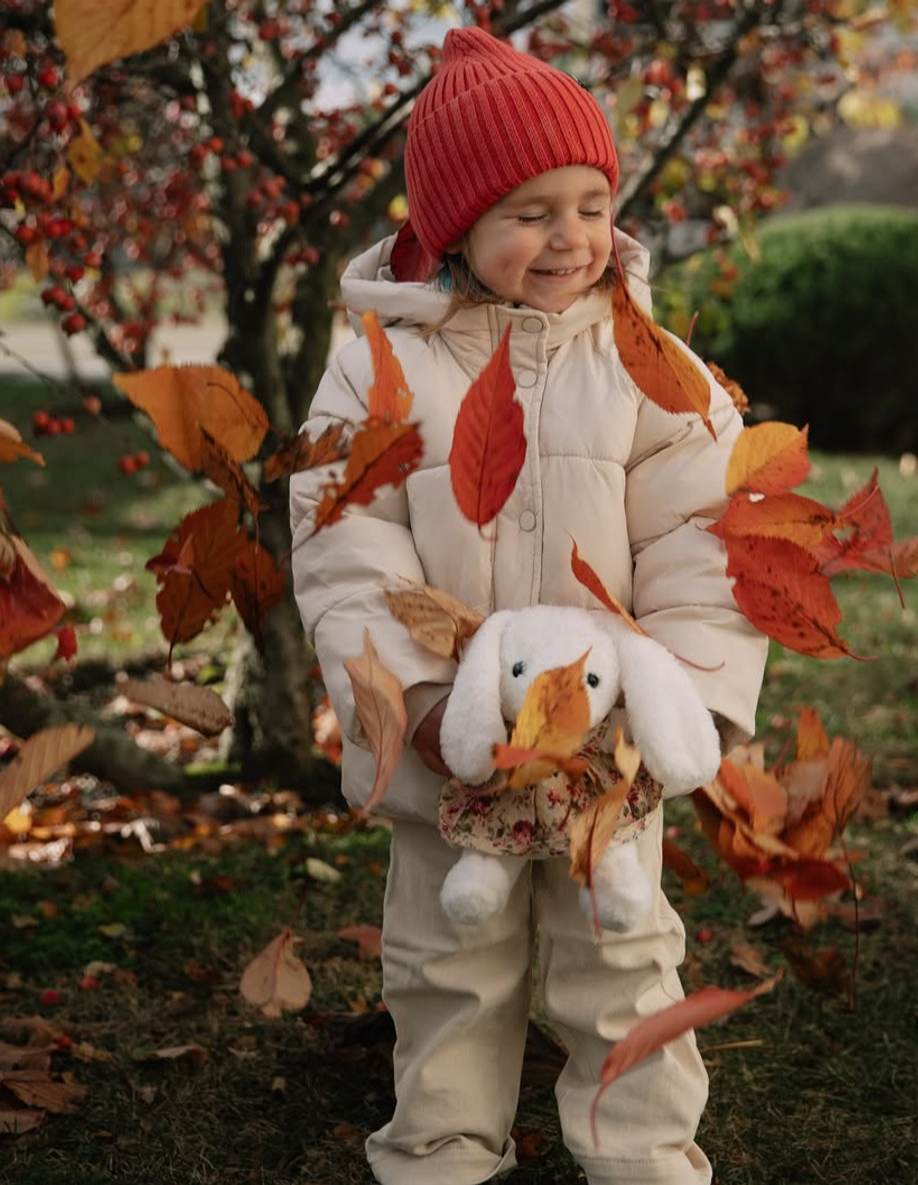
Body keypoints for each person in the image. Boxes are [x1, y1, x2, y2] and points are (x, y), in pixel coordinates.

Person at [290, 25, 768, 1185]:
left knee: (623, 954)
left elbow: (704, 538)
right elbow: (346, 540)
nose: (571, 238)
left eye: (592, 204)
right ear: (454, 226)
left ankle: (643, 1155)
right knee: (450, 960)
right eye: (530, 211)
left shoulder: (648, 362)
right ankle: (444, 1150)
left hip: (607, 742)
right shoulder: (379, 362)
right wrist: (421, 698)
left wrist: (687, 706)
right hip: (458, 738)